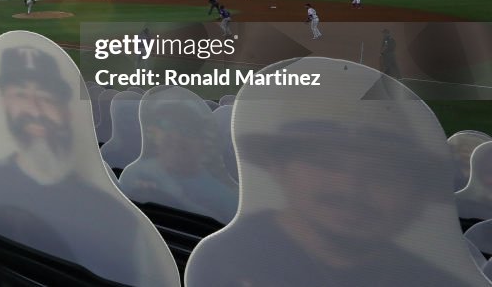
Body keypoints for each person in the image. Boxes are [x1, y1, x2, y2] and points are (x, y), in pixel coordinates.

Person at [186, 57, 488, 287]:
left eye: (382, 172)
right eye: (324, 162)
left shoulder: (429, 275)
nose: (351, 186)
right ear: (278, 166)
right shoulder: (224, 263)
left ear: (413, 191)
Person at [0, 36, 181, 286]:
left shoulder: (123, 222)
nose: (35, 109)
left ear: (67, 109)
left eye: (47, 97)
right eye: (20, 94)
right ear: (2, 101)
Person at [119, 92, 237, 224]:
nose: (175, 136)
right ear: (153, 133)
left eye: (188, 129)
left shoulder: (227, 200)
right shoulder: (132, 175)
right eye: (165, 124)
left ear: (204, 140)